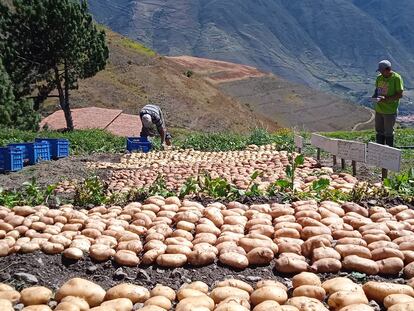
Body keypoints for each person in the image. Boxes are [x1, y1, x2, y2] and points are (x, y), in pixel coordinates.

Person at [372, 60, 404, 147]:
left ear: (388, 69)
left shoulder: (396, 78)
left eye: (382, 71)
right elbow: (377, 89)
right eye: (380, 71)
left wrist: (386, 99)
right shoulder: (379, 77)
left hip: (390, 110)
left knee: (388, 132)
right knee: (379, 131)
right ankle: (380, 150)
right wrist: (375, 96)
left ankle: (389, 153)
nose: (381, 73)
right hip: (379, 109)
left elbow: (399, 94)